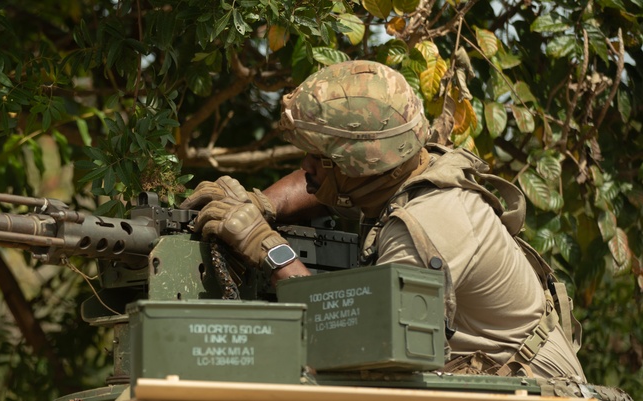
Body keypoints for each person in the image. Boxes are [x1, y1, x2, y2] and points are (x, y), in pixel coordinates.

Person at [181, 60, 585, 381]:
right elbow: (317, 185)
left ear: (356, 165)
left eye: (319, 156)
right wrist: (257, 204)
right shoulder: (410, 170)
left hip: (531, 388)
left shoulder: (422, 226)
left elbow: (352, 343)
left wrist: (266, 247)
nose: (306, 165)